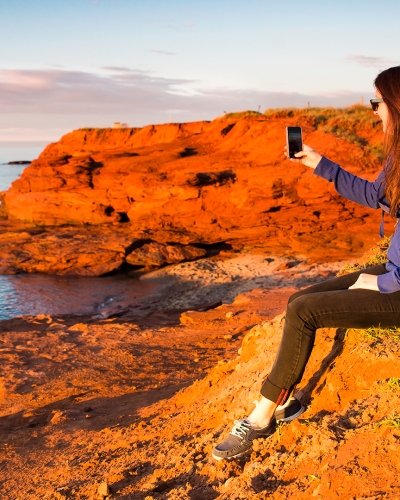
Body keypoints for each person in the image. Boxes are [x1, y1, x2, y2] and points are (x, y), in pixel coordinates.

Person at [212, 65, 400, 461]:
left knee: (303, 311)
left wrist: (383, 285)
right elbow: (375, 195)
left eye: (376, 102)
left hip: (399, 287)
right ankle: (286, 402)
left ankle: (262, 418)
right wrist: (317, 162)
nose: (373, 111)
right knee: (302, 297)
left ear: (395, 104)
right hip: (396, 273)